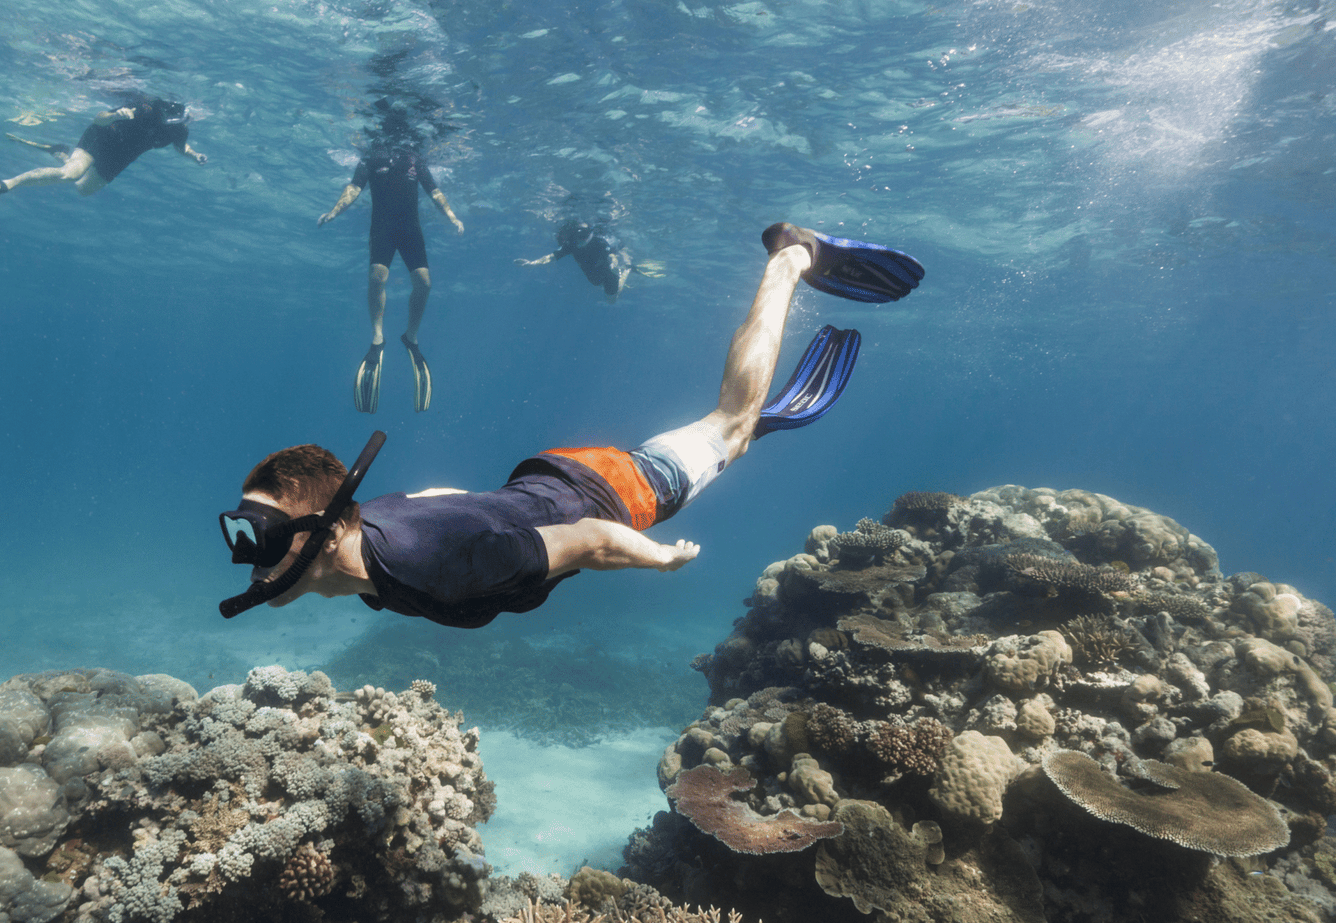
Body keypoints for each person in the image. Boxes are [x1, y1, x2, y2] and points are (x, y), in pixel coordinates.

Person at [216, 222, 924, 629]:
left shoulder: (439, 568)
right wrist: (493, 513)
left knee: (731, 423)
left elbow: (589, 540)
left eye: (264, 534)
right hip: (552, 477)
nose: (252, 557)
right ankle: (729, 438)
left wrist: (661, 560)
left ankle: (791, 257)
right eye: (244, 532)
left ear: (329, 529)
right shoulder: (368, 533)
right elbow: (434, 498)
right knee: (714, 440)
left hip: (613, 496)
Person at [318, 110, 464, 414]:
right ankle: (377, 338)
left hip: (410, 229)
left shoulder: (415, 159)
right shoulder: (371, 158)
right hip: (382, 228)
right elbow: (353, 188)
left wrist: (451, 216)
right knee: (377, 277)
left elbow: (434, 190)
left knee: (424, 283)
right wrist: (334, 212)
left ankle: (411, 338)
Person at [0, 96, 205, 199]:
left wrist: (194, 156)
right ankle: (6, 184)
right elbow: (98, 119)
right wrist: (114, 115)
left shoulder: (179, 130)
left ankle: (62, 152)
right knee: (70, 174)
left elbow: (181, 147)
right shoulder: (145, 107)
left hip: (121, 157)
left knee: (83, 190)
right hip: (103, 137)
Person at [517, 219, 632, 301]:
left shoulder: (599, 242)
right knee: (598, 284)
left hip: (608, 273)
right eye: (577, 235)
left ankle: (625, 271)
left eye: (584, 235)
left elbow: (612, 256)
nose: (581, 239)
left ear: (590, 233)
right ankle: (621, 271)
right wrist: (532, 264)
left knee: (611, 300)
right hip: (593, 276)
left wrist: (613, 265)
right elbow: (552, 257)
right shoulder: (571, 245)